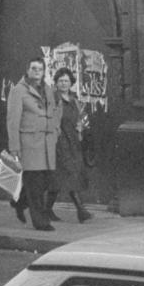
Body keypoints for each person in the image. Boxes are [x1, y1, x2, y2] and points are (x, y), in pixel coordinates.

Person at [6, 59, 59, 232]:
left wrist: (55, 131)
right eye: (34, 68)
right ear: (27, 71)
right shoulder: (18, 91)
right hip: (29, 145)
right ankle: (41, 222)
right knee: (35, 187)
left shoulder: (48, 90)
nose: (37, 72)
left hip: (47, 145)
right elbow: (13, 121)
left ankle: (19, 203)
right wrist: (14, 147)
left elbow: (54, 112)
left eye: (40, 69)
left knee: (45, 183)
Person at [52, 66, 92, 224]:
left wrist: (82, 125)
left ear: (71, 83)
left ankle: (47, 209)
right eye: (60, 81)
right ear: (56, 83)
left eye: (66, 81)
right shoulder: (54, 100)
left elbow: (82, 119)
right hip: (60, 142)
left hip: (74, 141)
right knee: (70, 174)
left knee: (60, 178)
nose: (63, 84)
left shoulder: (75, 101)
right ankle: (81, 210)